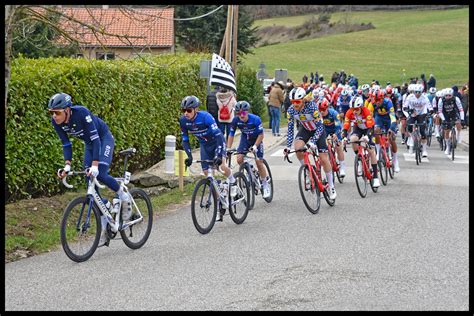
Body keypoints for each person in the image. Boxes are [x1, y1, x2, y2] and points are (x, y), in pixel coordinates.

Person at [48, 92, 131, 247]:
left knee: (100, 172)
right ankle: (106, 220)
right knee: (90, 182)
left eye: (57, 112)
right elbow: (66, 144)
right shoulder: (56, 123)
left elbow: (96, 139)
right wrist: (67, 166)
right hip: (90, 144)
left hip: (103, 139)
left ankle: (122, 193)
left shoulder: (82, 113)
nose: (54, 116)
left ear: (67, 110)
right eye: (51, 113)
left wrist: (94, 165)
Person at [179, 95, 237, 222]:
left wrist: (218, 156)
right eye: (183, 111)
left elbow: (219, 137)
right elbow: (185, 140)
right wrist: (189, 156)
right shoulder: (183, 121)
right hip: (205, 146)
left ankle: (232, 181)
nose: (186, 113)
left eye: (188, 110)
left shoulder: (206, 117)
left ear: (196, 109)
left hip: (217, 143)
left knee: (221, 167)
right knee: (209, 176)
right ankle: (218, 205)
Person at [284, 87, 337, 199]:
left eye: (297, 101)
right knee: (298, 149)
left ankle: (331, 186)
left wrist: (313, 142)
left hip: (318, 130)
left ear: (303, 100)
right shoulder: (291, 110)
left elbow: (319, 127)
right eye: (293, 102)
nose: (295, 104)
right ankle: (308, 172)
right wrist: (288, 147)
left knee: (323, 159)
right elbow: (290, 129)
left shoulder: (312, 106)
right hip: (306, 130)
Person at [226, 101, 271, 198]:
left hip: (257, 140)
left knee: (259, 162)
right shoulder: (235, 120)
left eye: (242, 113)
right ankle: (250, 169)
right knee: (239, 159)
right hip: (245, 139)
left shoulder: (255, 119)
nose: (240, 116)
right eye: (238, 113)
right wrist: (228, 148)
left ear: (247, 112)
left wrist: (255, 146)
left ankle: (265, 184)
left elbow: (261, 134)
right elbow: (231, 134)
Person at [341, 96, 380, 187]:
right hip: (358, 128)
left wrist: (367, 136)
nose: (354, 111)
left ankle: (375, 177)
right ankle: (359, 159)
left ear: (361, 107)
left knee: (371, 151)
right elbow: (346, 125)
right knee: (353, 140)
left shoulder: (366, 111)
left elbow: (370, 126)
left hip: (368, 129)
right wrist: (344, 137)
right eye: (353, 109)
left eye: (356, 109)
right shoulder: (349, 112)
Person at [368, 90, 400, 173]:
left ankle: (395, 161)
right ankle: (378, 152)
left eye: (379, 100)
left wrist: (392, 128)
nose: (377, 103)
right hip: (379, 118)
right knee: (376, 131)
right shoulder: (372, 104)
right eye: (376, 101)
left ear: (382, 99)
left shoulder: (388, 102)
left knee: (391, 138)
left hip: (389, 119)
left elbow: (393, 117)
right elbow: (369, 117)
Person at [318, 98, 346, 177]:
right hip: (325, 131)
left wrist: (336, 134)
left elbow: (338, 126)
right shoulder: (318, 115)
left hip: (335, 129)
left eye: (323, 109)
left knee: (338, 146)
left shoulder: (334, 113)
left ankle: (342, 167)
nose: (322, 112)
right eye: (320, 110)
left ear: (327, 108)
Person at [403, 84, 432, 157]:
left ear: (421, 92)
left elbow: (429, 106)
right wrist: (408, 110)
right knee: (409, 127)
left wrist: (430, 111)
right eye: (416, 92)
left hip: (422, 114)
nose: (417, 94)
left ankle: (424, 150)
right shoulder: (410, 97)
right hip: (413, 114)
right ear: (413, 92)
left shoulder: (424, 97)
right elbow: (405, 106)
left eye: (419, 92)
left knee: (422, 131)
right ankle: (413, 140)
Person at [438, 88, 465, 155]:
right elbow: (440, 111)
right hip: (445, 114)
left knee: (458, 123)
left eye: (449, 95)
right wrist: (443, 119)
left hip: (454, 113)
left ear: (452, 95)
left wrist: (462, 119)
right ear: (444, 96)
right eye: (446, 95)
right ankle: (447, 146)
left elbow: (461, 109)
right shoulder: (441, 100)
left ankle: (458, 136)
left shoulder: (456, 99)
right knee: (446, 131)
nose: (448, 97)